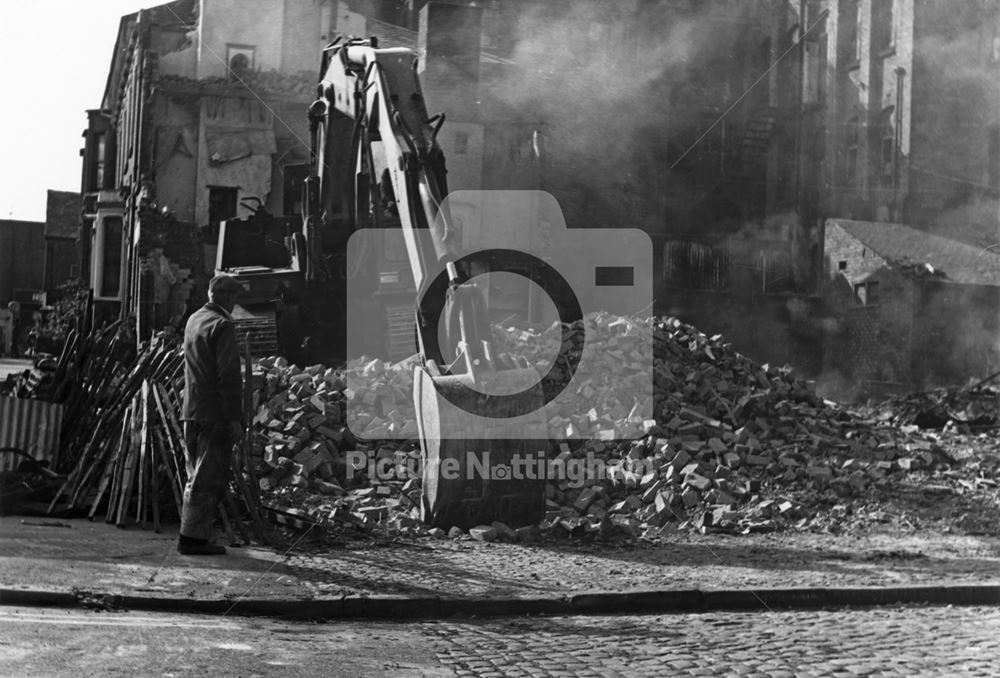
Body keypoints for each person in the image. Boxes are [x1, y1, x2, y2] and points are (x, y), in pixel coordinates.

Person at [178, 274, 244, 555]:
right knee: (209, 477)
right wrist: (234, 417)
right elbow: (228, 375)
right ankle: (192, 541)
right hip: (214, 413)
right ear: (229, 298)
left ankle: (193, 536)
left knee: (195, 474)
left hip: (191, 410)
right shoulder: (223, 325)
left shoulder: (194, 319)